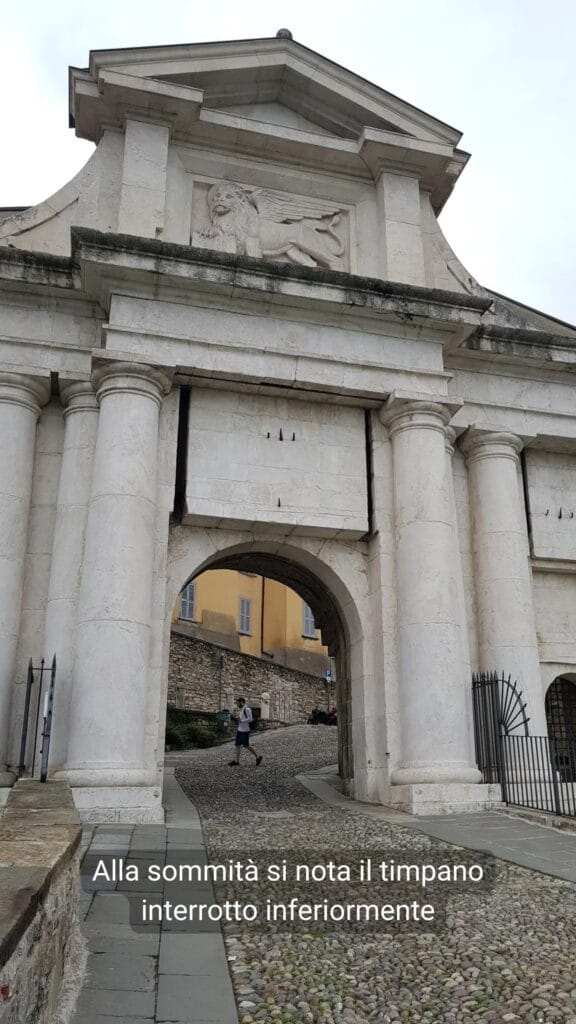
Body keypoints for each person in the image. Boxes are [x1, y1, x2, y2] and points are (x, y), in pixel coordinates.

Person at [228, 697, 263, 767]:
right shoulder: (242, 709)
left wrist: (241, 721)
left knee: (246, 745)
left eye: (238, 703)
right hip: (240, 730)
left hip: (245, 730)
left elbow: (250, 719)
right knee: (237, 745)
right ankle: (237, 761)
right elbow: (243, 719)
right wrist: (238, 720)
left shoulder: (247, 709)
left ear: (241, 702)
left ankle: (258, 757)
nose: (237, 704)